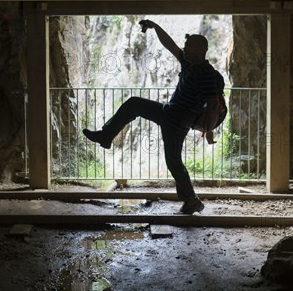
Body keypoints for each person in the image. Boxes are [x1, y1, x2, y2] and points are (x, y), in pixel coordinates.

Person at [83, 19, 222, 214]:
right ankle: (106, 136)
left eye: (189, 46)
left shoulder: (207, 74)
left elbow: (214, 105)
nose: (185, 48)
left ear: (201, 50)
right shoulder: (188, 63)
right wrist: (155, 26)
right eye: (186, 45)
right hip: (168, 112)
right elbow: (170, 45)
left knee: (173, 162)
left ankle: (192, 200)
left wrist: (209, 130)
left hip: (179, 122)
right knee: (134, 104)